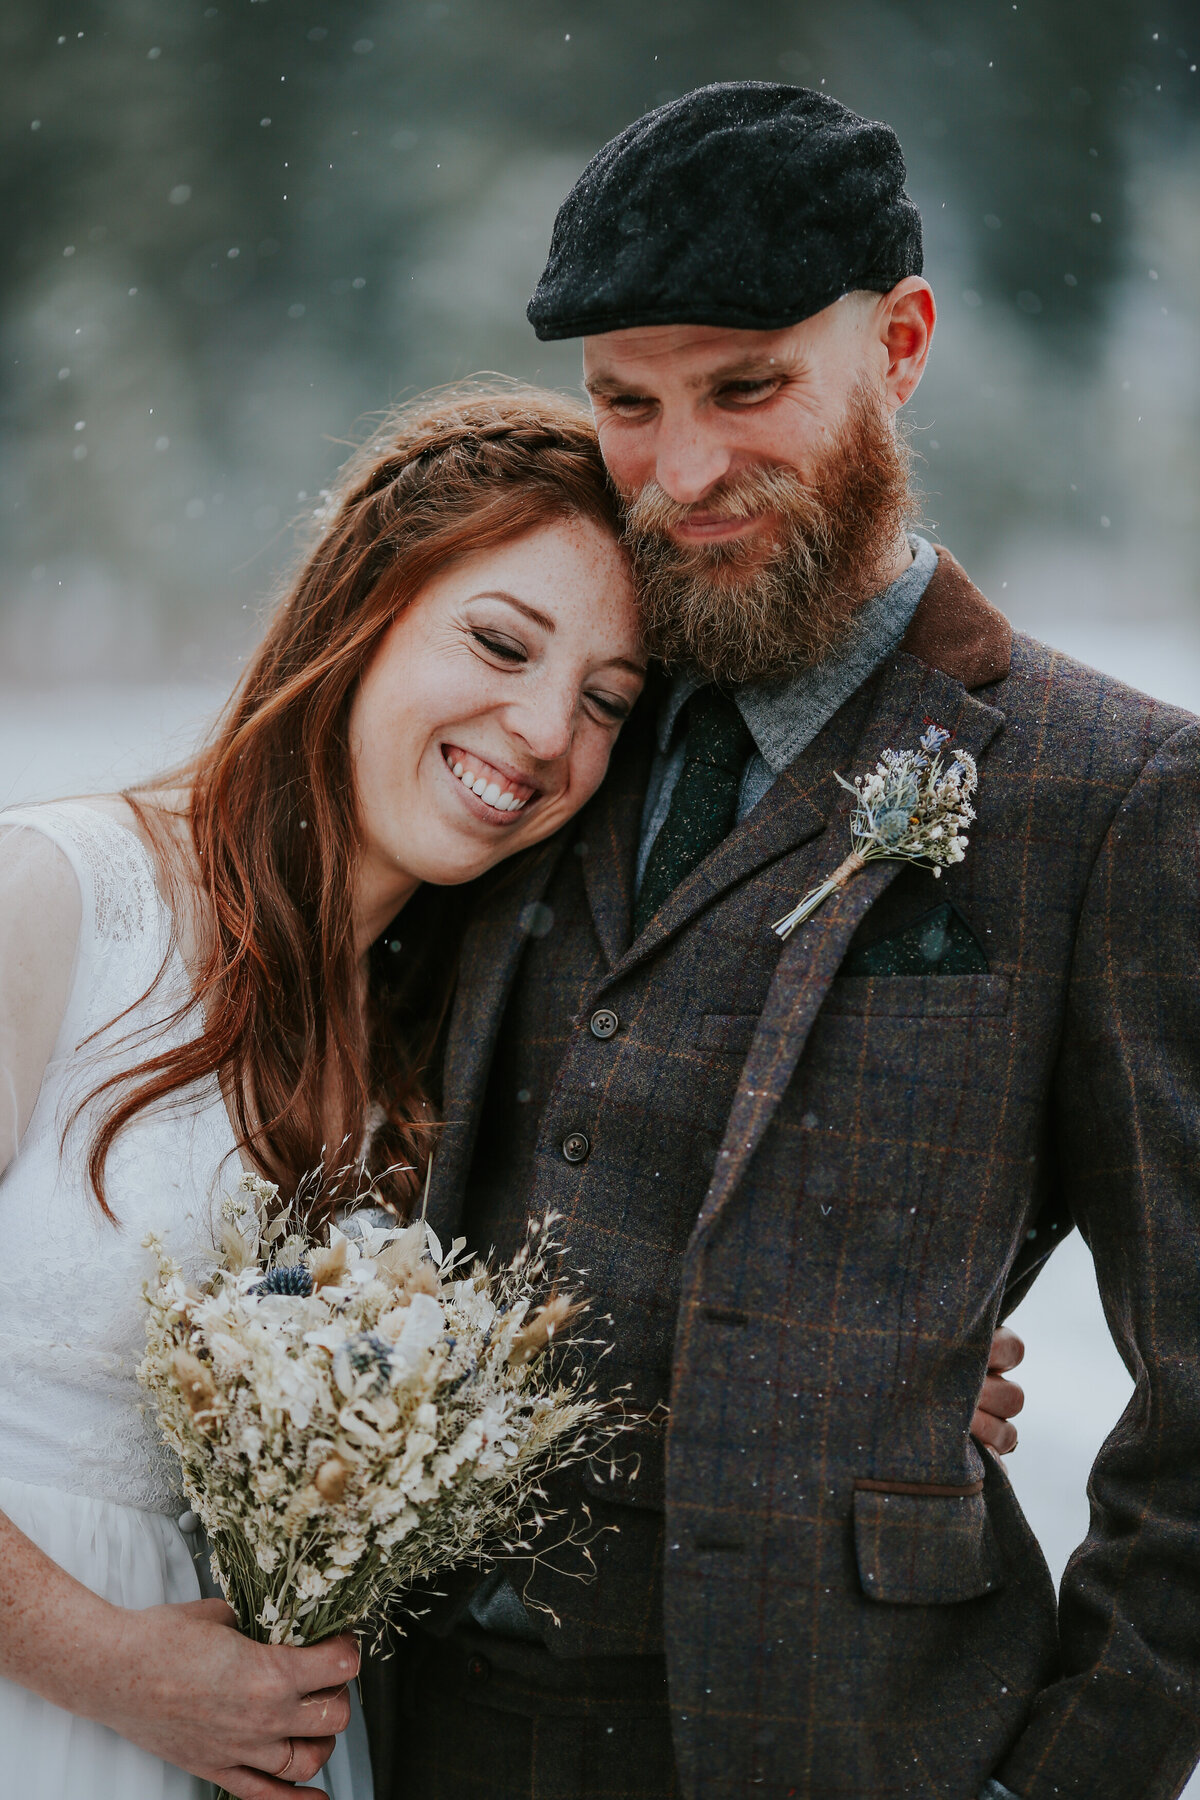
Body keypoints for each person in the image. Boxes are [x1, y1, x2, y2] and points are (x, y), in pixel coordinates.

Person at [362, 85, 1200, 1800]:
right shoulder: (537, 723)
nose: (683, 471)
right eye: (626, 405)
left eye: (750, 388)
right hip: (431, 1725)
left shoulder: (1109, 791)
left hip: (856, 1741)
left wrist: (1075, 1777)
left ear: (899, 345)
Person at [0, 387, 647, 1800]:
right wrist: (107, 1666)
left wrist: (899, 1353)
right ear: (361, 609)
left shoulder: (435, 1047)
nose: (543, 731)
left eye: (605, 701)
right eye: (498, 641)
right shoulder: (56, 898)